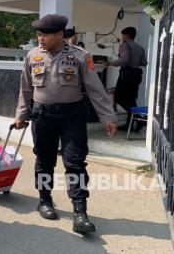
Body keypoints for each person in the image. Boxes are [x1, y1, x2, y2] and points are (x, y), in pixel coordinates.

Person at [14, 14, 117, 235]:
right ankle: (44, 200)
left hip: (72, 116)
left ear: (60, 34)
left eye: (45, 34)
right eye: (39, 34)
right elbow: (25, 88)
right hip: (42, 115)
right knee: (44, 160)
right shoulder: (32, 56)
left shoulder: (80, 56)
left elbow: (96, 89)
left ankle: (80, 213)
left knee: (75, 162)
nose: (40, 38)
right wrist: (21, 114)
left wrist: (108, 117)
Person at [99, 27, 148, 131]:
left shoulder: (124, 45)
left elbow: (124, 60)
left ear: (126, 36)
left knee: (119, 97)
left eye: (123, 35)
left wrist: (109, 63)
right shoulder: (140, 47)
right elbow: (144, 63)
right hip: (137, 74)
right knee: (131, 98)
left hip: (126, 74)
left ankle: (138, 118)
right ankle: (131, 123)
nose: (122, 38)